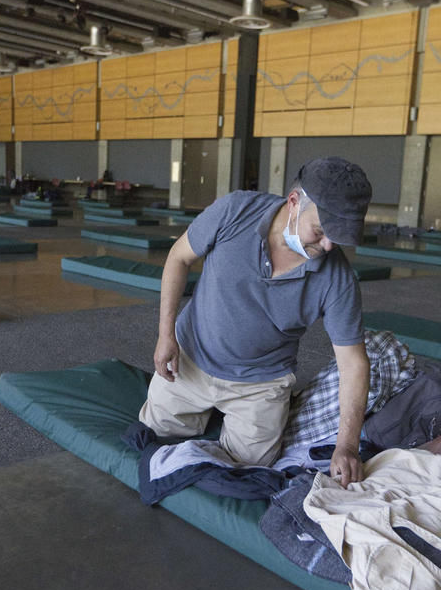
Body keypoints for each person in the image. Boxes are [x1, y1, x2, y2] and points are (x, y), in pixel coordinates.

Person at [139, 157, 373, 488]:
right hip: (191, 357)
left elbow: (353, 363)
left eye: (339, 238)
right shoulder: (235, 211)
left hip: (260, 382)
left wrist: (346, 445)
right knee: (156, 433)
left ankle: (231, 416)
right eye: (320, 231)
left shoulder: (337, 278)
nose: (328, 246)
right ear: (294, 202)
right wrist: (166, 336)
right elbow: (179, 258)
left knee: (247, 466)